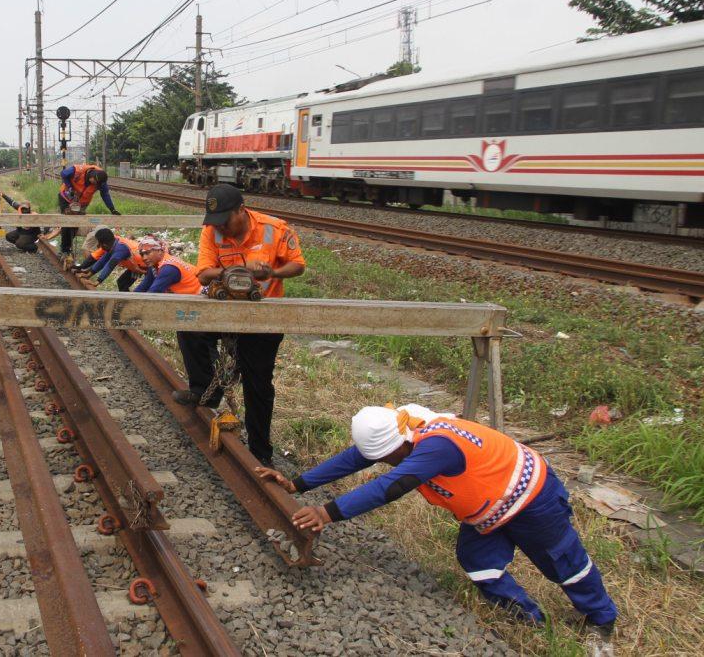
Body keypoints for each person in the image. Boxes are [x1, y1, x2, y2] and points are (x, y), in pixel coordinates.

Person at [256, 404, 618, 652]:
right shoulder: (402, 428)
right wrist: (298, 484)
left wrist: (327, 512)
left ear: (400, 447)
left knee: (563, 562)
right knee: (478, 562)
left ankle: (601, 619)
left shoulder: (438, 446)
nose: (383, 464)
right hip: (487, 512)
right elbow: (359, 457)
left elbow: (390, 487)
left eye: (385, 458)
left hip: (530, 500)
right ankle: (530, 620)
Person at [173, 183, 306, 466]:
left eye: (225, 220)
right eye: (216, 222)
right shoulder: (211, 232)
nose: (221, 228)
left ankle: (260, 451)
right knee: (189, 328)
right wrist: (231, 272)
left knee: (257, 383)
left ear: (241, 210)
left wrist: (273, 272)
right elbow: (203, 274)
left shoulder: (275, 229)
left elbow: (298, 265)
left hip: (262, 316)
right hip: (225, 308)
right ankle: (205, 389)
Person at [58, 163, 121, 257]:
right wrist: (70, 187)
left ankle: (68, 246)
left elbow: (105, 195)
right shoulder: (79, 170)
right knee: (68, 223)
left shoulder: (101, 181)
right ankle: (64, 249)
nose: (95, 185)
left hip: (82, 203)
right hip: (66, 197)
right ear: (92, 176)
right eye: (94, 182)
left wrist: (112, 209)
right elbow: (63, 174)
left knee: (76, 224)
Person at [75, 227, 145, 291]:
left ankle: (128, 302)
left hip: (145, 266)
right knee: (122, 282)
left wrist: (97, 281)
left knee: (142, 289)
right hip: (136, 266)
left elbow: (110, 265)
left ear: (104, 244)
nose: (98, 246)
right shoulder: (114, 243)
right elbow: (103, 260)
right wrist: (89, 274)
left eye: (99, 243)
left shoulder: (121, 249)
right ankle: (125, 302)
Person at [132, 237, 202, 294]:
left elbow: (153, 294)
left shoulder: (169, 268)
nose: (144, 258)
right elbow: (143, 287)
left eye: (147, 253)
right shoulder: (155, 265)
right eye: (142, 255)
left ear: (159, 251)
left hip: (198, 298)